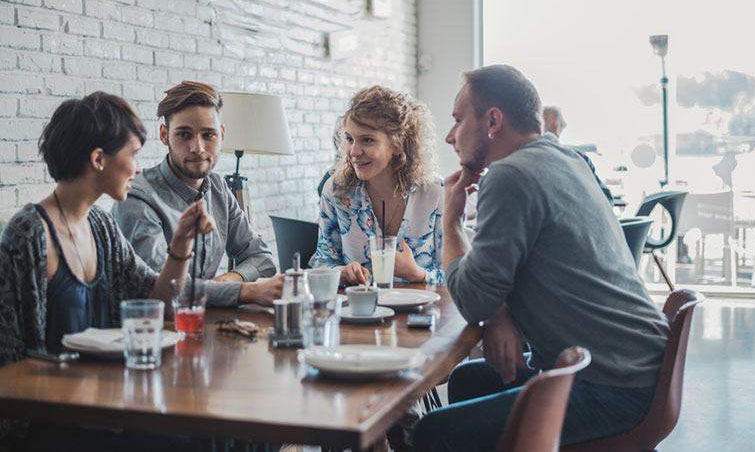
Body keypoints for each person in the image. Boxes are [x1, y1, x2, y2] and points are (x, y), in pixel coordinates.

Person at [413, 65, 670, 450]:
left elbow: (473, 300)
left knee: (430, 433)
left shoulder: (509, 177)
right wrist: (499, 316)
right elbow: (500, 280)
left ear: (493, 121)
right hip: (643, 369)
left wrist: (450, 221)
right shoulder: (569, 159)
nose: (451, 136)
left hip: (613, 387)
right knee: (467, 379)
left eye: (457, 119)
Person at [0, 92, 215, 449]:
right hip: (54, 425)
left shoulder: (101, 226)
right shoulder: (30, 234)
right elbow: (9, 362)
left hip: (109, 409)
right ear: (99, 159)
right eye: (132, 155)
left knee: (208, 433)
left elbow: (157, 302)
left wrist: (181, 245)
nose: (137, 168)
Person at [112, 81, 282, 307]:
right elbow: (162, 288)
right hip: (152, 331)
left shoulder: (218, 187)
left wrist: (228, 282)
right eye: (184, 134)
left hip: (204, 324)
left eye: (208, 135)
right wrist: (246, 291)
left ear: (221, 135)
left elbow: (262, 258)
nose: (198, 148)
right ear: (164, 135)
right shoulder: (137, 198)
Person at [310, 85, 444, 286]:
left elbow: (459, 278)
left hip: (422, 313)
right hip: (359, 313)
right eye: (349, 139)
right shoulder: (336, 190)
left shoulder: (435, 193)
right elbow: (320, 263)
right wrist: (342, 272)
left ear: (397, 144)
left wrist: (417, 273)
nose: (353, 151)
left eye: (368, 140)